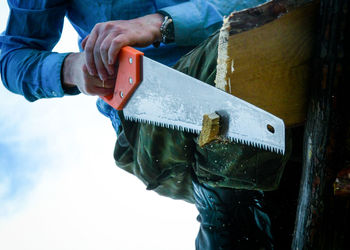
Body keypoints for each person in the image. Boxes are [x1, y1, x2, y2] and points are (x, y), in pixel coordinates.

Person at [0, 0, 285, 249]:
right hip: (151, 119)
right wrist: (73, 68)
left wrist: (161, 23)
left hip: (261, 51)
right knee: (232, 65)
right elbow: (13, 55)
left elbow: (267, 5)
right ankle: (225, 214)